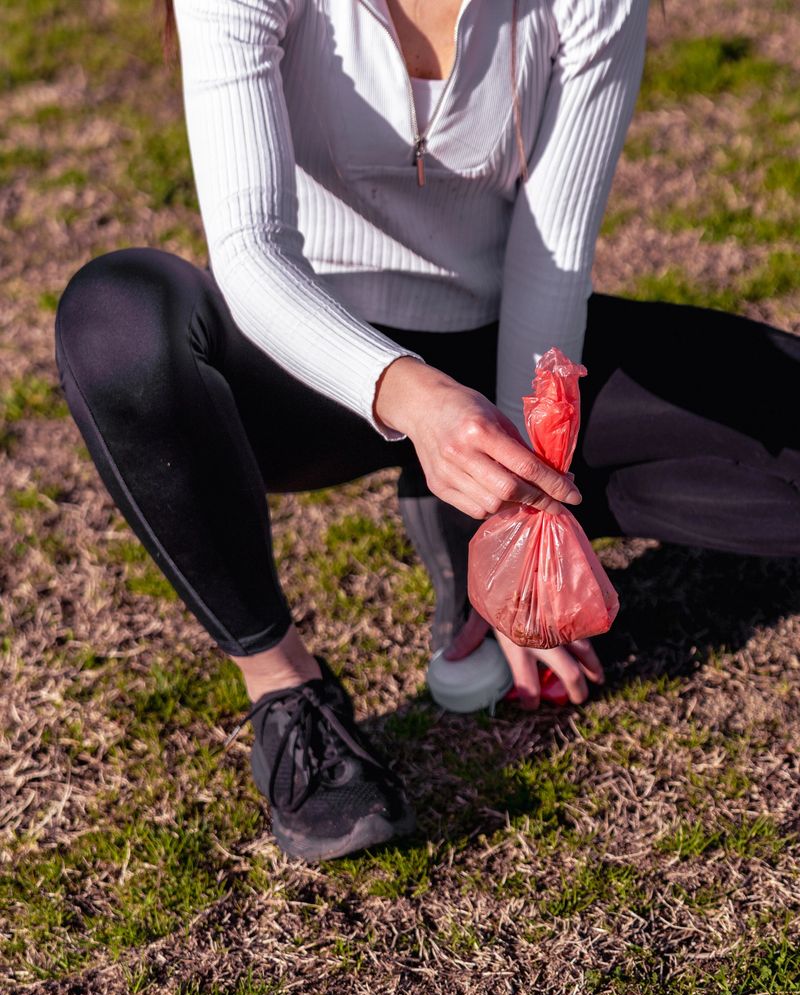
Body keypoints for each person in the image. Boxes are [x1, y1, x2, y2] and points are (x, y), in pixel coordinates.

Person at [54, 0, 800, 864]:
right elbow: (250, 251)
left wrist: (522, 522)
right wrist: (410, 398)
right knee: (116, 321)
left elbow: (550, 258)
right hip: (298, 368)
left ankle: (457, 510)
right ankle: (286, 691)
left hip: (495, 361)